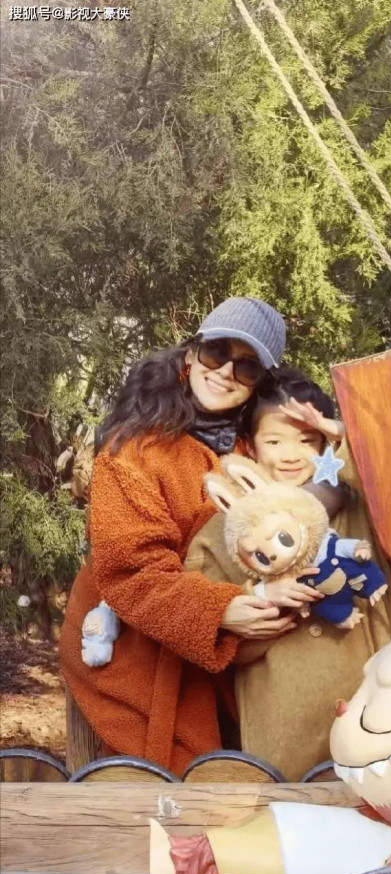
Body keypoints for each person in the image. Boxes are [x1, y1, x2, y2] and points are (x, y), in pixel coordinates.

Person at [59, 297, 320, 776]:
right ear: (191, 352)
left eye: (246, 366)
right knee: (164, 785)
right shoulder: (134, 449)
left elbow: (318, 505)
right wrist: (220, 611)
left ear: (260, 381)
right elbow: (130, 571)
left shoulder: (258, 446)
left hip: (242, 649)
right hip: (140, 647)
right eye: (217, 352)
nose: (225, 372)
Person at [184, 368, 391, 779]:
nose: (291, 455)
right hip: (283, 717)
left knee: (383, 802)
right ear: (249, 446)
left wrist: (349, 436)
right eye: (274, 441)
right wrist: (262, 597)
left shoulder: (365, 501)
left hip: (377, 701)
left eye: (307, 440)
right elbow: (203, 622)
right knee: (296, 810)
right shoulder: (227, 530)